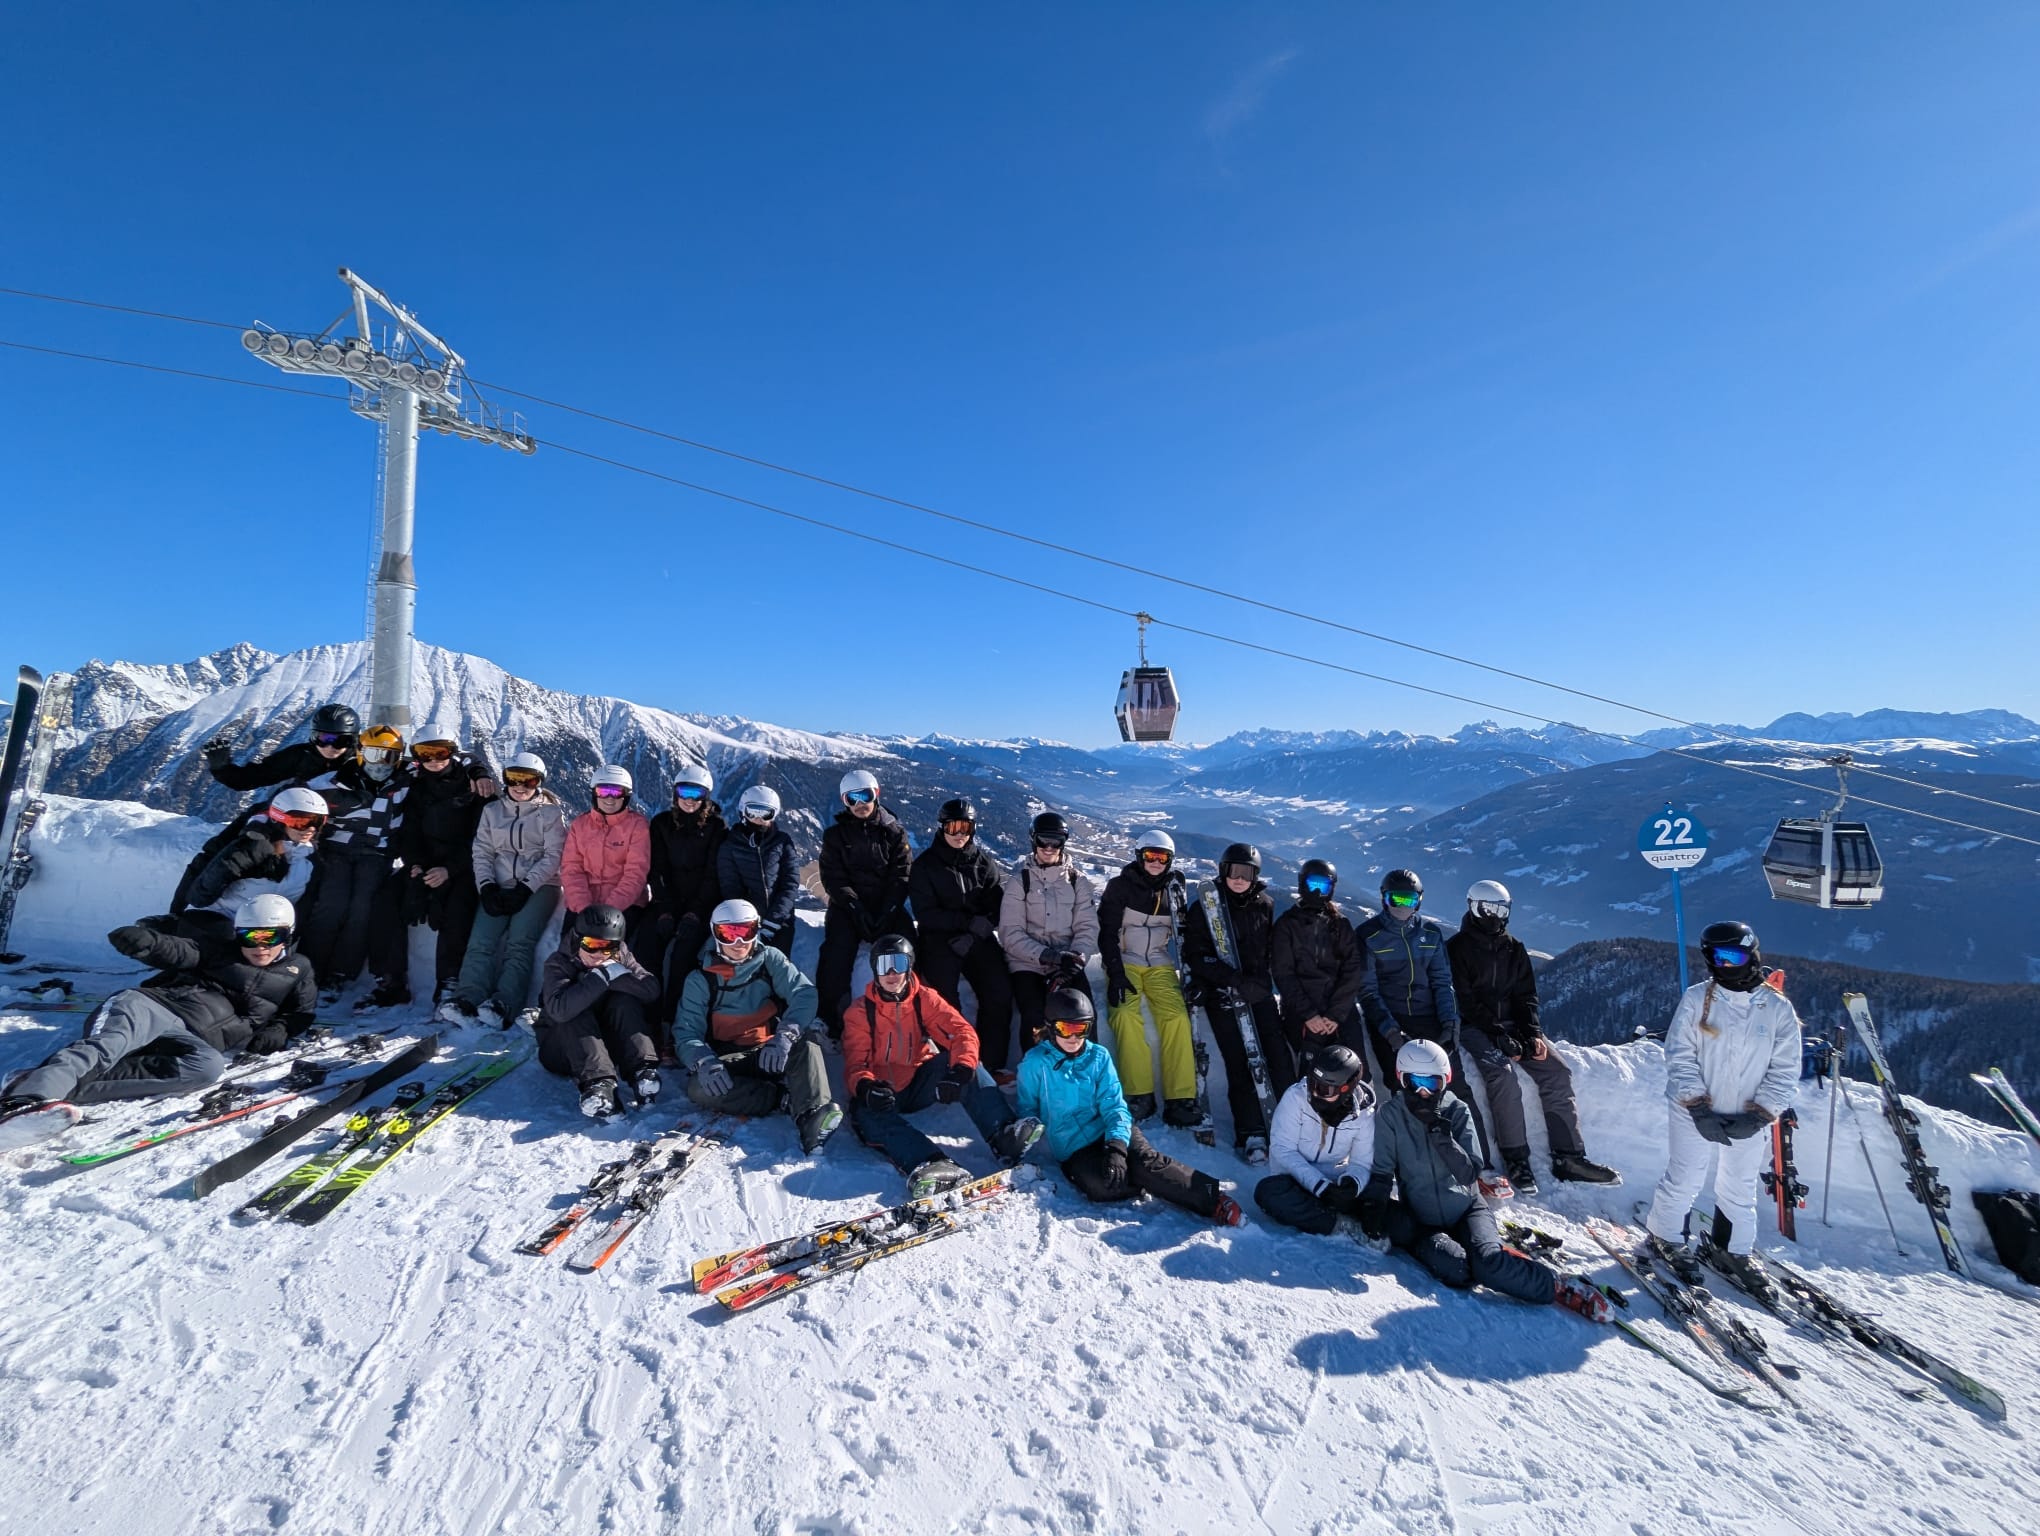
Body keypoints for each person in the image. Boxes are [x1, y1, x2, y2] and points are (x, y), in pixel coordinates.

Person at [1357, 1040, 1608, 1319]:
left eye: (1432, 1082)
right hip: (1423, 1221)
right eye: (1414, 1081)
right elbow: (1382, 1173)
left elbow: (1469, 1174)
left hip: (1467, 1209)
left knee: (1488, 1265)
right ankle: (1491, 1258)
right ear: (1402, 1079)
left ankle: (1556, 1285)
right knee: (1457, 1271)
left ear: (1445, 1080)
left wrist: (1442, 1138)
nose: (1423, 1091)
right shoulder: (1391, 1116)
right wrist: (1373, 1209)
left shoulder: (1457, 1111)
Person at [0, 895, 316, 1112]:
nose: (260, 947)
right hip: (154, 1008)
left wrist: (280, 1029)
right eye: (250, 937)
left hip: (195, 1038)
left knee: (207, 1069)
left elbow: (301, 1011)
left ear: (287, 936)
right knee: (110, 1045)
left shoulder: (298, 969)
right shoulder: (219, 950)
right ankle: (29, 1097)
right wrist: (149, 943)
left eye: (270, 937)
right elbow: (180, 950)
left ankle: (49, 1086)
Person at [1640, 920, 1803, 1299]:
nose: (1725, 965)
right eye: (1716, 957)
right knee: (1685, 1175)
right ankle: (1666, 1236)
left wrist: (1761, 1114)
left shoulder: (1776, 1008)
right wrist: (1698, 1106)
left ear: (1752, 954)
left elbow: (1785, 1068)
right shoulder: (1698, 999)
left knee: (1739, 1185)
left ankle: (1731, 1249)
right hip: (1693, 1109)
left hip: (1747, 1115)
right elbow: (1679, 1055)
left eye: (1733, 956)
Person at [1446, 879, 1618, 1192]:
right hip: (1475, 1027)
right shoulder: (1457, 949)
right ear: (1474, 908)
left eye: (1502, 910)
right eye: (1489, 909)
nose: (1496, 916)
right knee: (1502, 1075)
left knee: (1557, 1072)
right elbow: (1466, 1002)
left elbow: (1526, 996)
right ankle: (1516, 1158)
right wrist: (1498, 1036)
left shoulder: (1513, 948)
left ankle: (1569, 1156)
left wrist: (1532, 1033)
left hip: (1512, 1025)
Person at [1015, 987, 1242, 1225]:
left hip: (1111, 1130)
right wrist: (1024, 1132)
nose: (1074, 1038)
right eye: (1066, 1029)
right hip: (1074, 1148)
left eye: (1081, 1029)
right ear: (1051, 1027)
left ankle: (1213, 1198)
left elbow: (1114, 1106)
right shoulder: (1035, 1063)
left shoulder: (1098, 1057)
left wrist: (1116, 1147)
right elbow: (1027, 1108)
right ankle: (1151, 1181)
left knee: (1146, 1163)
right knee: (1100, 1187)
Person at [843, 934, 1043, 1198]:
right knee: (865, 1113)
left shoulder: (924, 998)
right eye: (884, 965)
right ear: (874, 970)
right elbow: (855, 1062)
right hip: (882, 1093)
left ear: (909, 966)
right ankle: (930, 1162)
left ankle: (1003, 1134)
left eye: (898, 964)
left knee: (970, 1064)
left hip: (919, 1079)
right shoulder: (860, 1012)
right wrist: (866, 1087)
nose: (891, 973)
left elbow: (961, 1032)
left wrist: (960, 1070)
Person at [674, 898, 841, 1154]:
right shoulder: (701, 979)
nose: (739, 942)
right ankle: (778, 1098)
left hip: (772, 1050)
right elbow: (686, 1031)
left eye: (746, 931)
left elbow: (804, 994)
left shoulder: (769, 960)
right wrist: (703, 1060)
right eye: (729, 934)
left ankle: (812, 1115)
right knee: (699, 1088)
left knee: (807, 1044)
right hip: (730, 1059)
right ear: (716, 935)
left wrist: (785, 1036)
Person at [1355, 869, 1496, 1170]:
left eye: (1408, 899)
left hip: (1429, 1018)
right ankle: (1419, 1164)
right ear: (1384, 899)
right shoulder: (1369, 936)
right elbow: (1368, 993)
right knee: (1404, 1089)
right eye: (1395, 899)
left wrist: (1450, 1025)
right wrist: (1391, 1032)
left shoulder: (1430, 935)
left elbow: (1443, 984)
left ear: (1419, 901)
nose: (1401, 906)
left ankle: (1480, 1163)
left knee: (1456, 1087)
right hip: (1392, 1020)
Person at [1182, 842, 1296, 1161]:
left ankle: (1291, 1126)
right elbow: (1196, 955)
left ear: (1255, 876)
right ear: (1223, 871)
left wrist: (1260, 984)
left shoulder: (1265, 905)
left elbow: (1268, 951)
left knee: (1278, 1057)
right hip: (1223, 995)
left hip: (1258, 994)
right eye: (1233, 871)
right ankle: (1251, 1132)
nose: (1239, 879)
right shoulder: (1205, 907)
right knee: (1239, 1062)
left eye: (1247, 873)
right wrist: (1230, 980)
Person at [444, 751, 568, 1029]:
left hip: (540, 886)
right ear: (505, 780)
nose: (520, 786)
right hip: (498, 884)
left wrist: (525, 888)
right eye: (513, 779)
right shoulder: (492, 811)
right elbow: (482, 852)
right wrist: (487, 887)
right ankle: (468, 998)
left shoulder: (550, 814)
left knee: (520, 942)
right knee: (481, 941)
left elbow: (553, 857)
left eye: (529, 780)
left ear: (539, 782)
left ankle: (505, 1003)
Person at [384, 726, 496, 1011]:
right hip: (426, 861)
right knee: (386, 898)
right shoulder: (414, 785)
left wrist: (449, 869)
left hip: (465, 863)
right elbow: (409, 831)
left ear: (453, 753)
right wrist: (416, 864)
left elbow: (482, 838)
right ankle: (389, 979)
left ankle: (449, 981)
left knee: (458, 906)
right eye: (426, 754)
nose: (434, 760)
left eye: (441, 752)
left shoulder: (472, 785)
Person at [298, 724, 410, 1005]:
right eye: (373, 754)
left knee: (362, 909)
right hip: (335, 852)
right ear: (360, 753)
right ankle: (310, 971)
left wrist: (477, 772)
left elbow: (451, 762)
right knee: (330, 905)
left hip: (377, 854)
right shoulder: (331, 784)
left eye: (390, 757)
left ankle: (340, 972)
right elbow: (294, 802)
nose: (381, 764)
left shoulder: (405, 782)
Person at [906, 797, 1014, 1070]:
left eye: (966, 827)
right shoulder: (925, 866)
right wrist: (966, 923)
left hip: (977, 938)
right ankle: (955, 1063)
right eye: (953, 827)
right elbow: (925, 913)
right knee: (944, 1000)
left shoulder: (983, 863)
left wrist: (977, 931)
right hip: (939, 939)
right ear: (942, 828)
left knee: (999, 992)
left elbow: (997, 905)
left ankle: (990, 1066)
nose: (959, 834)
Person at [1097, 828, 1196, 1126]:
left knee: (1176, 1017)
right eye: (1150, 856)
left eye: (1162, 857)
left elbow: (1183, 933)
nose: (1155, 862)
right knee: (1125, 1014)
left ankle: (1180, 1098)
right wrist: (1115, 972)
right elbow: (1107, 932)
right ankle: (1139, 1094)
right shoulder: (1120, 887)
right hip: (1126, 959)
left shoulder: (1175, 889)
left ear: (1170, 860)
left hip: (1159, 962)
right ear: (1140, 857)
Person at [537, 904, 664, 1118]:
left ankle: (643, 1072)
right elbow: (559, 1011)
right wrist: (599, 979)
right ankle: (600, 1086)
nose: (599, 954)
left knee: (625, 1001)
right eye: (592, 945)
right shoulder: (559, 963)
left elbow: (651, 989)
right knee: (575, 1010)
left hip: (607, 1047)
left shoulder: (620, 956)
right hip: (562, 1050)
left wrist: (615, 976)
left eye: (608, 947)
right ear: (578, 939)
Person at [816, 768, 915, 1039]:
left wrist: (889, 909)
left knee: (909, 947)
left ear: (876, 795)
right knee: (836, 952)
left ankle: (913, 1014)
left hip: (887, 904)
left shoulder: (893, 832)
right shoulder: (835, 836)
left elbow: (902, 875)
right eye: (852, 799)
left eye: (865, 796)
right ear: (845, 802)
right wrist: (854, 907)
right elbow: (833, 878)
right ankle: (829, 1020)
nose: (860, 804)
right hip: (847, 907)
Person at [1000, 811, 1099, 1054]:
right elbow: (1010, 934)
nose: (1048, 847)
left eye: (1055, 841)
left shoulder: (1077, 882)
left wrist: (1076, 958)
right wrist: (1048, 956)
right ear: (1033, 840)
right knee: (1034, 1015)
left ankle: (1088, 1069)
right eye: (1043, 840)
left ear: (1063, 843)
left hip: (1068, 961)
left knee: (1083, 1012)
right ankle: (1037, 1069)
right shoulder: (1019, 882)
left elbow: (1087, 927)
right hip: (1028, 963)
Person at [1253, 1046, 1378, 1233]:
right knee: (1268, 1192)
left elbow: (1362, 1162)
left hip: (1334, 1179)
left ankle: (1350, 1217)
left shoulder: (1363, 1114)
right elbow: (1283, 1149)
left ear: (1346, 1088)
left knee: (1387, 1210)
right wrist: (1319, 1185)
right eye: (1312, 1083)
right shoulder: (1295, 1098)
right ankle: (1338, 1224)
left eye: (1324, 1089)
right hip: (1295, 1180)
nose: (1314, 1093)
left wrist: (1352, 1184)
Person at [171, 786, 329, 934]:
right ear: (280, 818)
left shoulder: (309, 858)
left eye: (318, 822)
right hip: (224, 926)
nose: (311, 829)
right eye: (301, 822)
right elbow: (200, 895)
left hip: (267, 936)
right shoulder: (251, 848)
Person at [644, 762, 726, 1025]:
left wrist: (695, 913)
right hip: (668, 900)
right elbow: (656, 870)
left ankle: (673, 1021)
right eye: (684, 792)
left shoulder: (716, 827)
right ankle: (648, 1019)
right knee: (647, 950)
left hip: (701, 905)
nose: (689, 800)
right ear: (675, 793)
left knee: (683, 957)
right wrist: (664, 910)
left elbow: (713, 875)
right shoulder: (661, 824)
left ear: (706, 797)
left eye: (696, 794)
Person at [1270, 859, 1368, 1069]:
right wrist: (1309, 1014)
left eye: (1323, 886)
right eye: (1312, 884)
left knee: (1356, 1068)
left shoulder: (1340, 924)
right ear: (1302, 883)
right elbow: (1283, 974)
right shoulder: (1287, 925)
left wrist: (1335, 1014)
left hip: (1339, 1012)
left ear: (1331, 888)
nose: (1317, 891)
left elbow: (1352, 971)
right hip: (1302, 1013)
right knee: (1310, 1071)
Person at [559, 764, 652, 933]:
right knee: (570, 944)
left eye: (616, 793)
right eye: (603, 791)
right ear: (594, 793)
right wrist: (583, 907)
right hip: (584, 903)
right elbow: (572, 869)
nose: (610, 798)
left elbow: (635, 873)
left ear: (626, 796)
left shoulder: (637, 826)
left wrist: (609, 909)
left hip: (625, 903)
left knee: (610, 944)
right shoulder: (580, 825)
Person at [199, 702, 362, 793]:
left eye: (342, 741)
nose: (331, 746)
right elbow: (254, 777)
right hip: (302, 818)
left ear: (353, 740)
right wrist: (223, 769)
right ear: (313, 737)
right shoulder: (300, 756)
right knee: (253, 820)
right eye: (324, 739)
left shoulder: (363, 758)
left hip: (351, 819)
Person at [716, 785, 801, 959]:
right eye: (753, 812)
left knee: (777, 964)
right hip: (744, 924)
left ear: (774, 815)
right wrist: (748, 923)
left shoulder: (782, 842)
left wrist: (773, 921)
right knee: (749, 966)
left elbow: (790, 884)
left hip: (780, 921)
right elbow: (730, 888)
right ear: (743, 811)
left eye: (766, 814)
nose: (758, 819)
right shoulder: (730, 845)